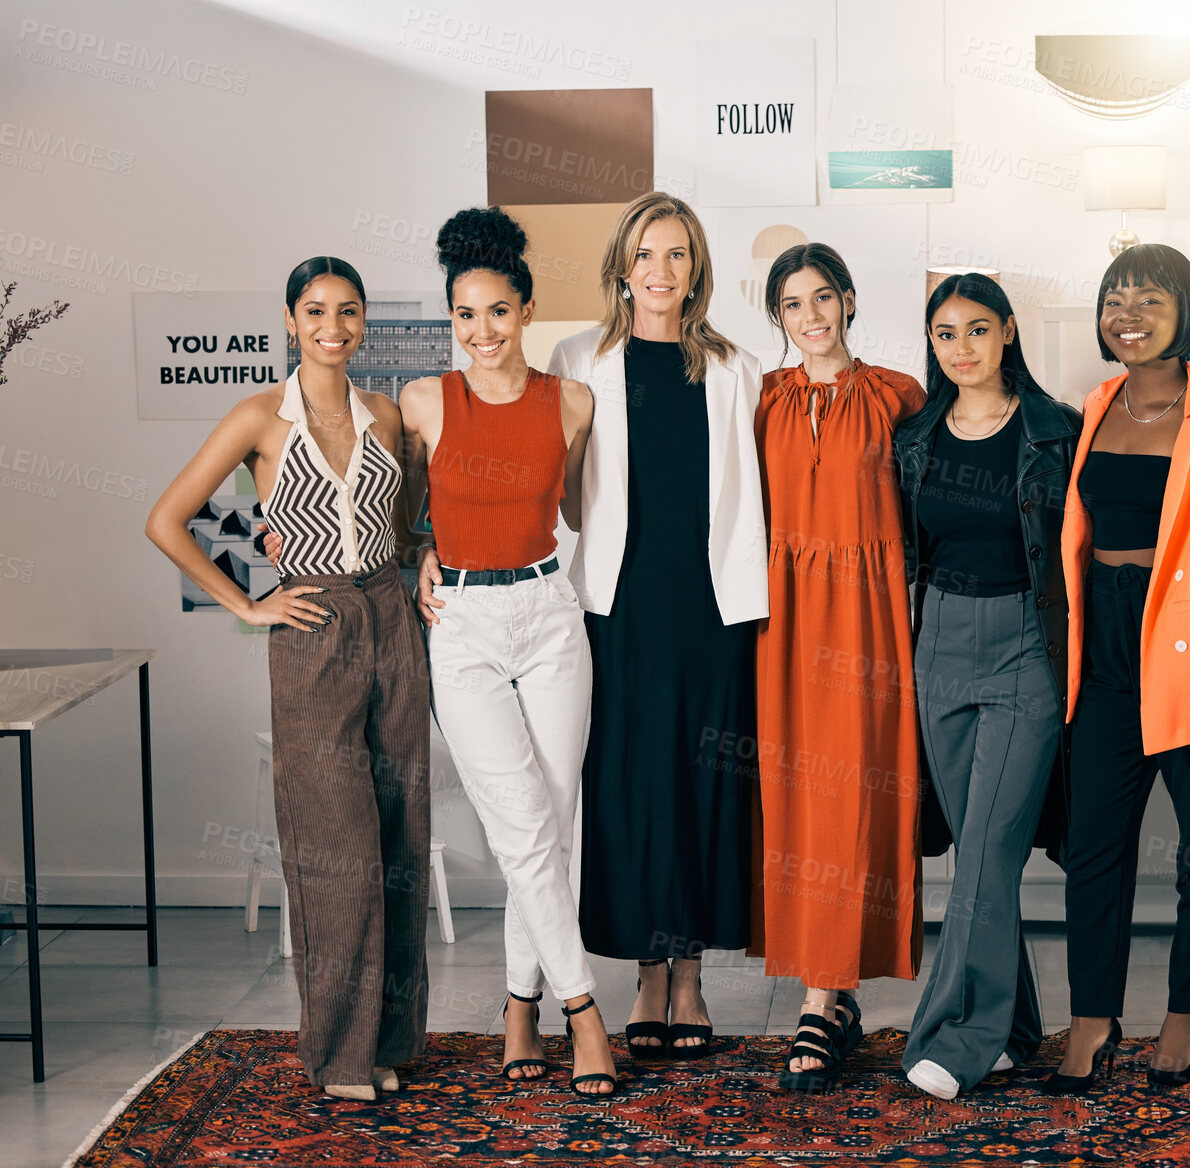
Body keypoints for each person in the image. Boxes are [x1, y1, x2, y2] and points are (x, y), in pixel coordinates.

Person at [146, 257, 429, 1101]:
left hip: (392, 624)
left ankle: (386, 1043)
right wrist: (250, 602)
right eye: (315, 311)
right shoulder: (257, 419)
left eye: (347, 311)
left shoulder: (385, 415)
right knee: (333, 848)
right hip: (312, 633)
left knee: (399, 837)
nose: (332, 326)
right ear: (290, 319)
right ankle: (339, 1055)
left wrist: (426, 569)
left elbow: (409, 526)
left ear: (363, 321)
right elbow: (167, 520)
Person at [1047, 243, 1190, 1096]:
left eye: (1148, 298)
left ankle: (1183, 1016)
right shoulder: (1095, 402)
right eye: (1114, 298)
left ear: (1186, 313)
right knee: (1093, 850)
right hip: (1102, 651)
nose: (1127, 313)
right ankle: (1092, 1019)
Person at [547, 192, 767, 1058]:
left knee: (703, 784)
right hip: (619, 605)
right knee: (631, 786)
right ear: (621, 267)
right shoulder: (576, 359)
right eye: (645, 255)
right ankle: (645, 973)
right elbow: (539, 479)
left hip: (710, 609)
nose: (660, 272)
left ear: (696, 268)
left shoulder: (735, 367)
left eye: (676, 255)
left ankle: (691, 977)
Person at [405, 207, 616, 1096]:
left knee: (553, 824)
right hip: (462, 631)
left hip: (547, 613)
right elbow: (397, 500)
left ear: (527, 313)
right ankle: (582, 1011)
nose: (480, 332)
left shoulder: (570, 402)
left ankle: (517, 1005)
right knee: (522, 830)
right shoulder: (423, 401)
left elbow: (575, 514)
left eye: (497, 312)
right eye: (464, 315)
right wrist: (424, 550)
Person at [891, 273, 1078, 1101]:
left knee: (989, 851)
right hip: (939, 643)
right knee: (978, 852)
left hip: (1023, 650)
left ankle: (955, 1035)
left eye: (976, 330)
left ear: (1006, 333)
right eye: (943, 335)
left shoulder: (1055, 430)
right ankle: (1015, 1029)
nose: (960, 348)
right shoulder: (915, 435)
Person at [750, 243, 925, 1090]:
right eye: (792, 304)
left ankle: (825, 998)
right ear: (777, 317)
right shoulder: (761, 401)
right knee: (799, 805)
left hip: (868, 623)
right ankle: (827, 995)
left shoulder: (899, 396)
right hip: (780, 622)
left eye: (822, 298)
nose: (810, 316)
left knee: (854, 797)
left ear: (849, 301)